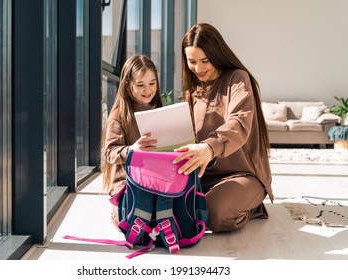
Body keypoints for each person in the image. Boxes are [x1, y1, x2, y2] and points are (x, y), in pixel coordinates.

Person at [173, 23, 274, 232]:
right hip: (203, 175)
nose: (198, 69)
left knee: (215, 214)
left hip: (242, 175)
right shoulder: (192, 91)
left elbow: (239, 123)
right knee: (173, 210)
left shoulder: (237, 79)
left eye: (205, 61)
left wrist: (209, 148)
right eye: (192, 62)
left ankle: (253, 207)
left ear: (217, 55)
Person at [101, 54, 163, 228]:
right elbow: (109, 153)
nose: (148, 90)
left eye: (152, 83)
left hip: (153, 177)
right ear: (128, 85)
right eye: (140, 85)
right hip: (127, 182)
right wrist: (132, 149)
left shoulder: (159, 111)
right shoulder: (119, 116)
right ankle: (119, 214)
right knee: (137, 214)